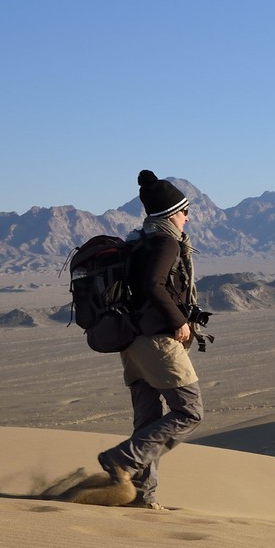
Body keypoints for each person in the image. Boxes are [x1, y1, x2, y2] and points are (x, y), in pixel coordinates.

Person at [96, 170, 205, 508]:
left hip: (132, 343)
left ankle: (142, 497)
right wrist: (179, 321)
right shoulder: (165, 242)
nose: (187, 218)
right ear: (172, 214)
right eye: (184, 212)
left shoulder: (138, 242)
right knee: (189, 411)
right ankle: (121, 459)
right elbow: (153, 285)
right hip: (156, 342)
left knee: (149, 422)